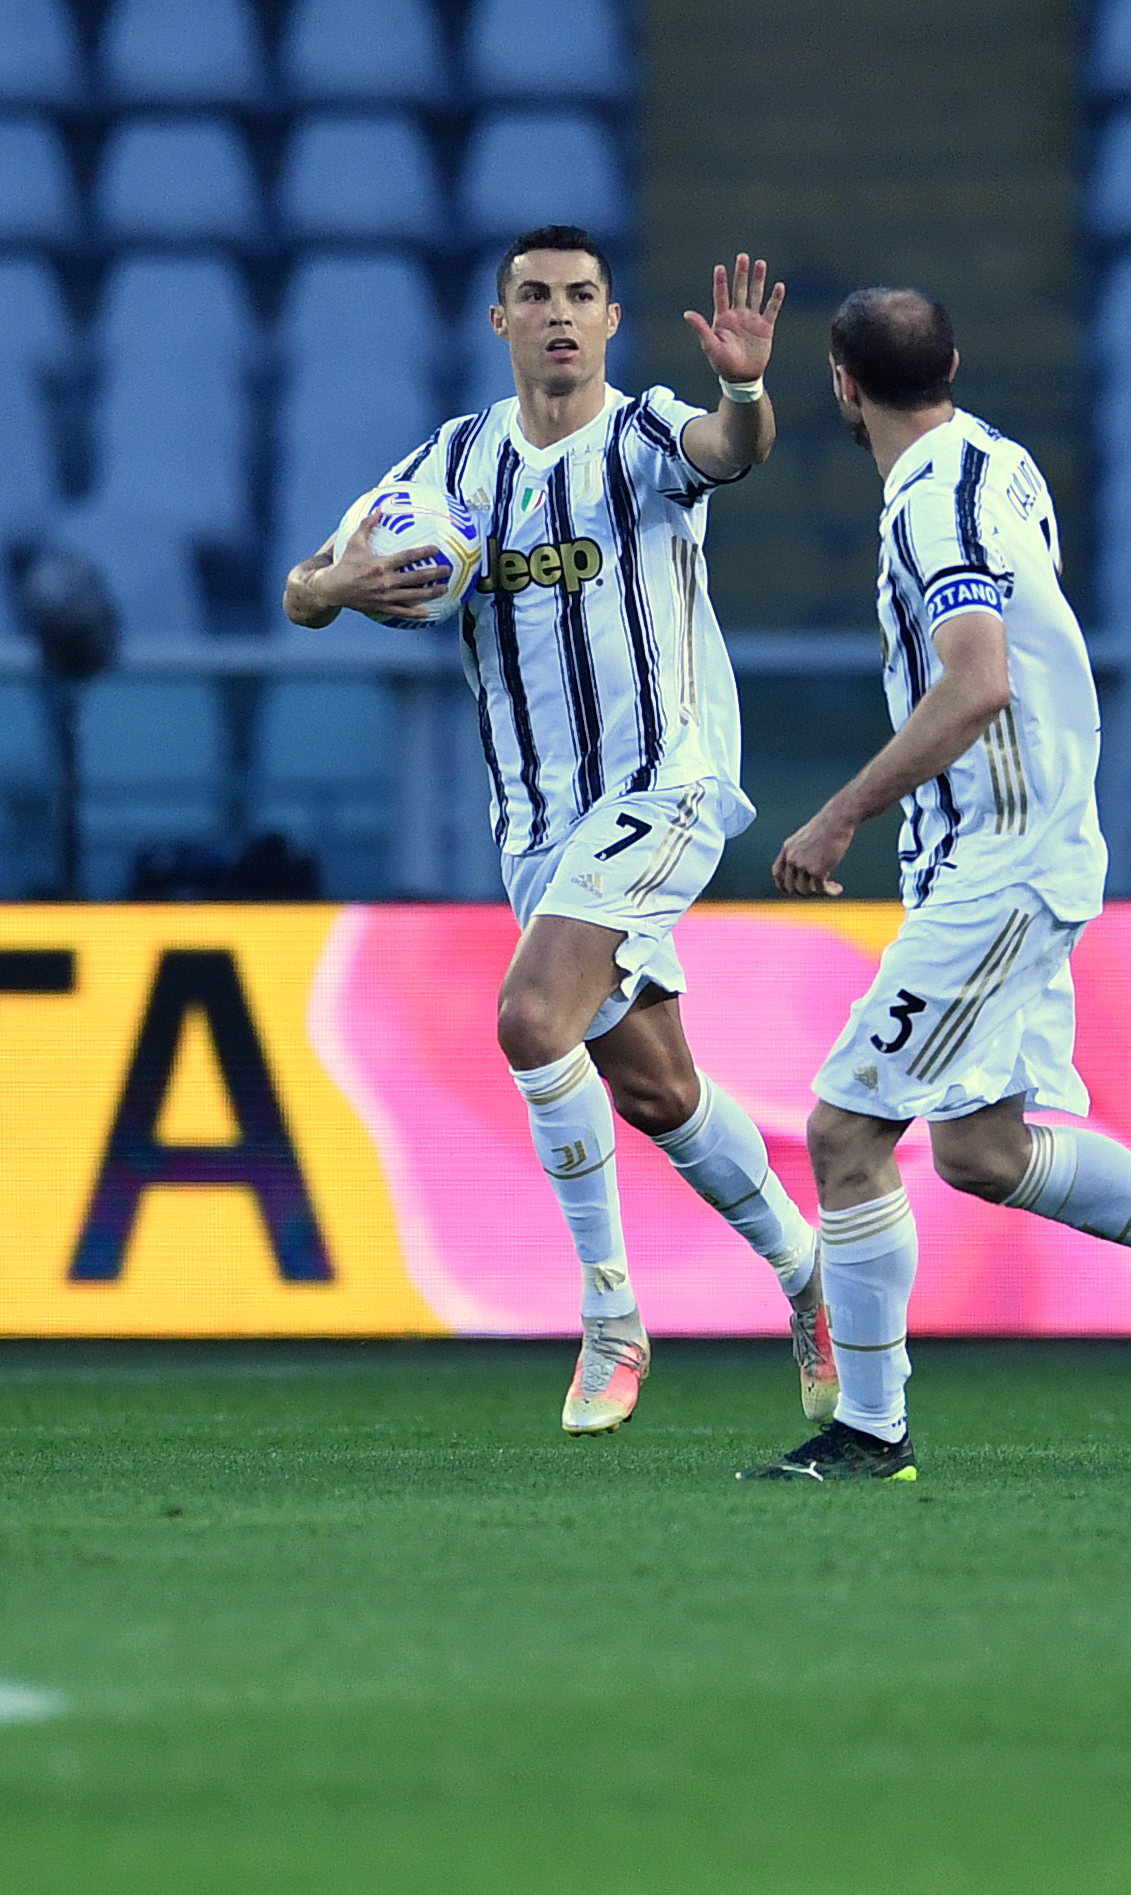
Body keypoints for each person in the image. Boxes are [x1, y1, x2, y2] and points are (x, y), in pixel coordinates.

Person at [751, 289, 1131, 1481]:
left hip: (1001, 859)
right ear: (954, 365)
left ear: (840, 384)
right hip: (1028, 844)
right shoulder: (1002, 462)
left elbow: (977, 683)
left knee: (846, 1130)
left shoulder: (927, 511)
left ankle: (870, 1429)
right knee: (983, 1150)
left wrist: (839, 809)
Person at [281, 227, 826, 1436]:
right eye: (536, 296)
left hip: (666, 785)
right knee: (657, 1086)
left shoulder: (643, 435)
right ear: (501, 320)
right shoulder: (453, 463)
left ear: (612, 319)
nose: (561, 315)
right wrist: (339, 588)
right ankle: (809, 1273)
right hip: (536, 820)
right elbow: (303, 584)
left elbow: (729, 450)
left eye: (582, 295)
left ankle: (611, 1317)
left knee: (530, 1019)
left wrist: (745, 386)